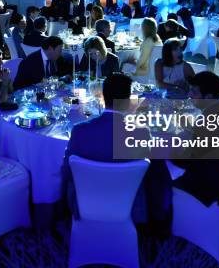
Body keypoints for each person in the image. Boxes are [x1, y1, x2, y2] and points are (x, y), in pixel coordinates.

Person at [63, 73, 154, 220]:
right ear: (127, 101)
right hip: (128, 205)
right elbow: (146, 174)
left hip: (85, 203)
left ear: (103, 97)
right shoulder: (142, 132)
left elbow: (67, 170)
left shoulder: (80, 131)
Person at [172, 71, 219, 206]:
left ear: (209, 97)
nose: (189, 95)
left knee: (156, 170)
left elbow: (182, 160)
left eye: (194, 92)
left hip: (205, 186)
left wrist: (174, 140)